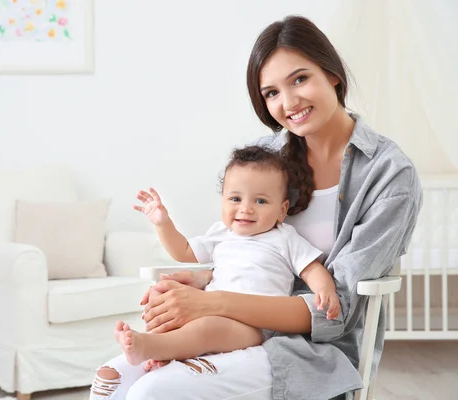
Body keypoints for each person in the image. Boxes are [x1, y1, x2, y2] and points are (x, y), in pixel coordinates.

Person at [90, 15, 422, 400]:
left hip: (308, 349)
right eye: (271, 93)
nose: (289, 102)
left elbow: (337, 313)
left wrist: (208, 303)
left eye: (300, 79)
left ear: (332, 74)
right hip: (224, 319)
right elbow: (234, 247)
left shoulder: (389, 174)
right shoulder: (265, 157)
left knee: (153, 392)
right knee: (111, 379)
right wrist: (193, 284)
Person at [114, 145, 341, 368]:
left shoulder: (284, 238)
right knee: (162, 291)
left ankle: (148, 347)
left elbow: (311, 268)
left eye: (260, 201)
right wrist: (163, 224)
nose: (246, 208)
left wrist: (325, 289)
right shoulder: (221, 234)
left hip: (254, 325)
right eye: (235, 199)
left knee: (207, 330)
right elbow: (183, 252)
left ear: (282, 210)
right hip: (206, 308)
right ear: (222, 200)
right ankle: (161, 351)